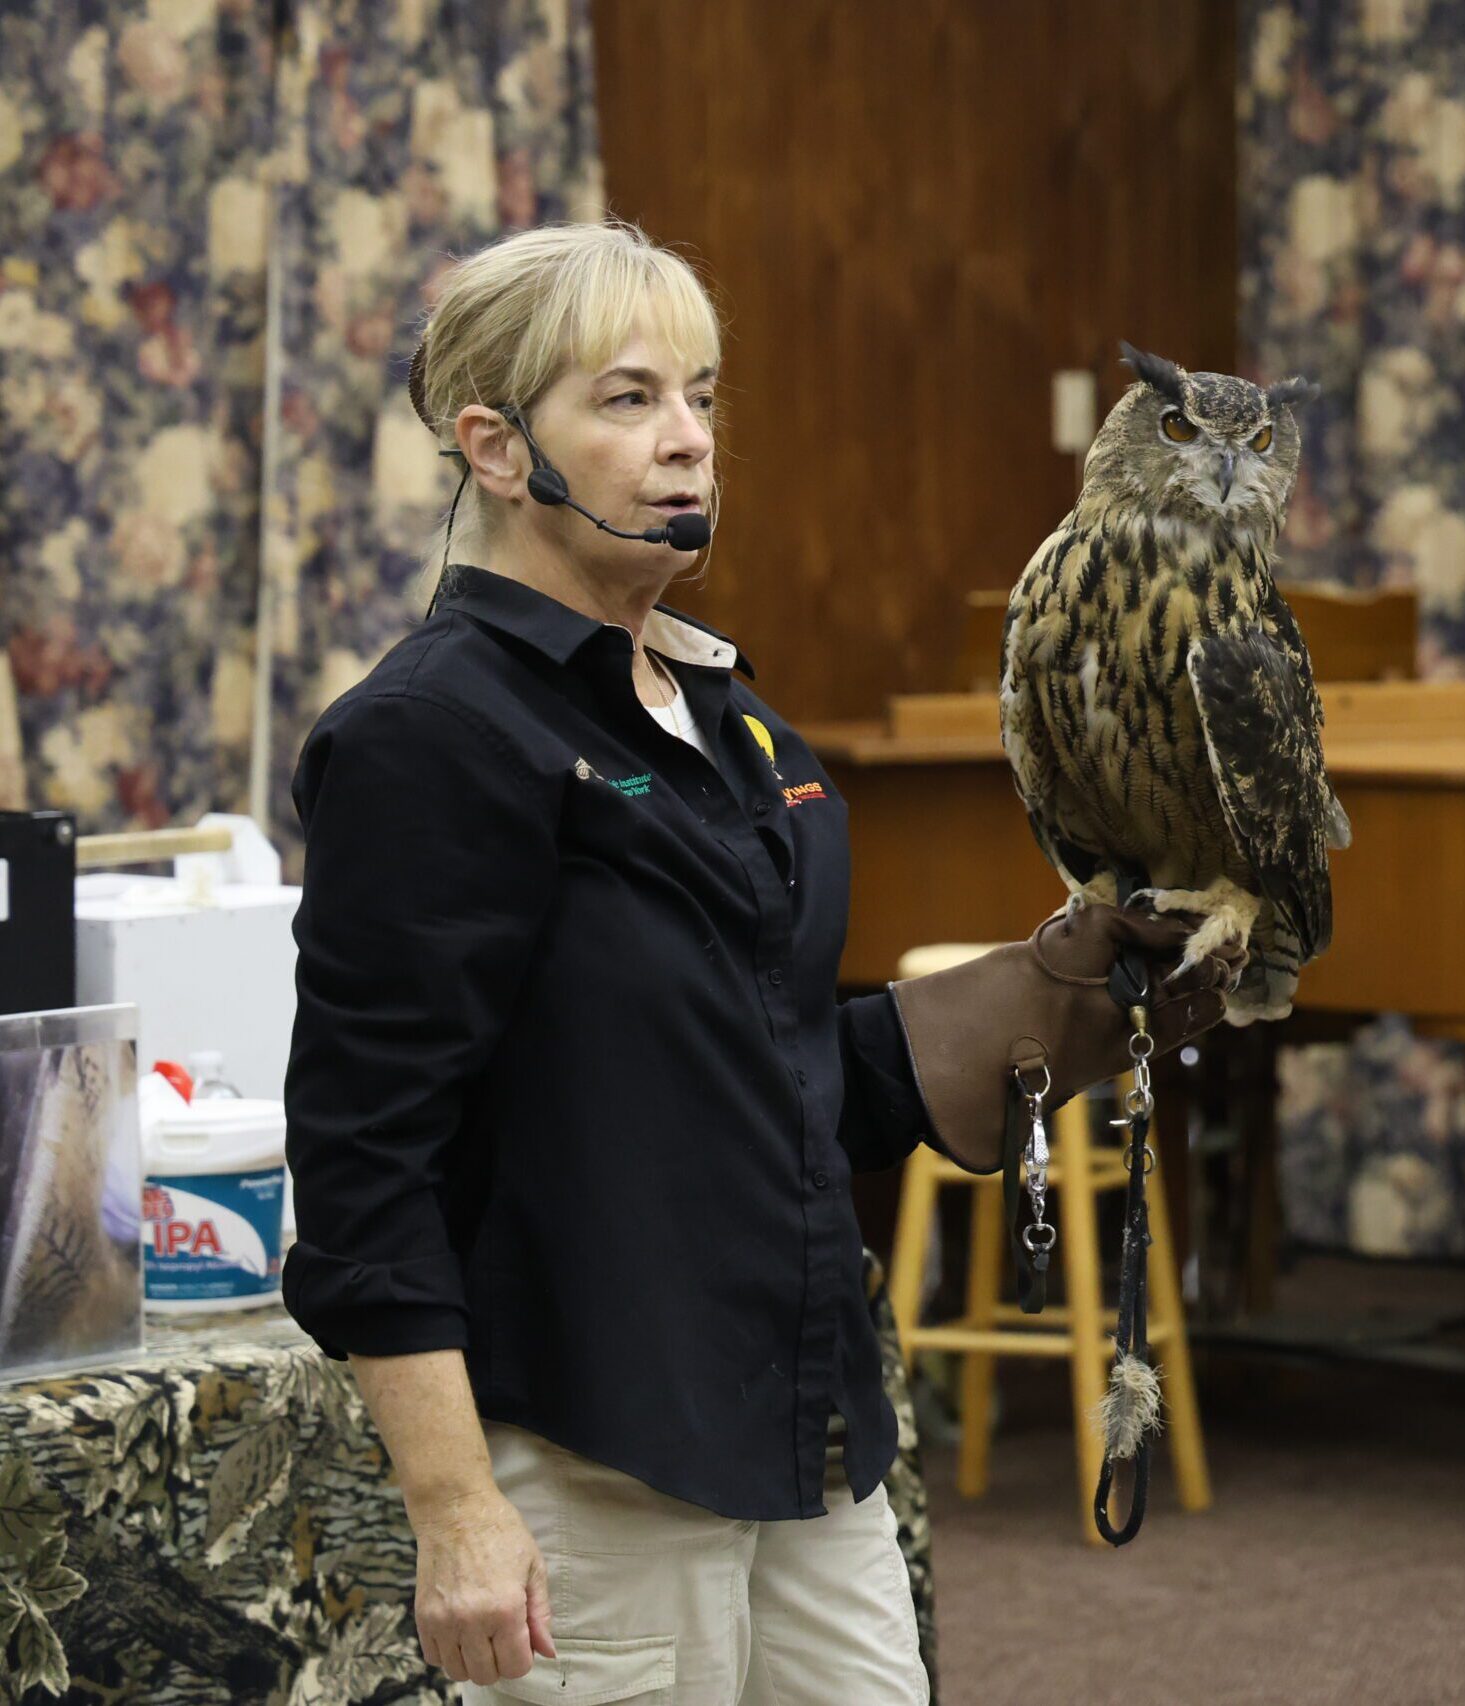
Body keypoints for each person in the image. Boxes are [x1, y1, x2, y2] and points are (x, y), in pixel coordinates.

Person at [281, 220, 1237, 1704]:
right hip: (596, 1444)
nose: (687, 443)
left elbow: (775, 1071)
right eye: (627, 399)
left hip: (806, 1420)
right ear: (491, 442)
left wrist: (1061, 987)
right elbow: (360, 1164)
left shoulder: (727, 712)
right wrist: (457, 1507)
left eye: (704, 398)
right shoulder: (434, 734)